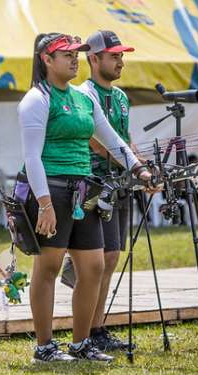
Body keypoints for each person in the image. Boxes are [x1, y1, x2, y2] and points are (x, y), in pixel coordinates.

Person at [18, 33, 152, 362]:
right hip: (52, 190)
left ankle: (80, 345)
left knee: (92, 266)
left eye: (76, 54)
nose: (75, 59)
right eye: (66, 55)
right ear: (46, 60)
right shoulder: (36, 99)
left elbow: (114, 140)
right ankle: (45, 348)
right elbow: (32, 157)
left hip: (83, 191)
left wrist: (140, 171)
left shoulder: (83, 98)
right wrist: (45, 204)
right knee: (47, 268)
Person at [60, 30, 138, 351]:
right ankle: (89, 330)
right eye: (114, 56)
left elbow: (123, 138)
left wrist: (141, 166)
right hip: (94, 186)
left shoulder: (121, 98)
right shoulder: (83, 93)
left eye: (122, 56)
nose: (120, 61)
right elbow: (94, 137)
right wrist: (126, 162)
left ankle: (97, 328)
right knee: (100, 260)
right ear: (94, 59)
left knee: (113, 256)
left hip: (120, 185)